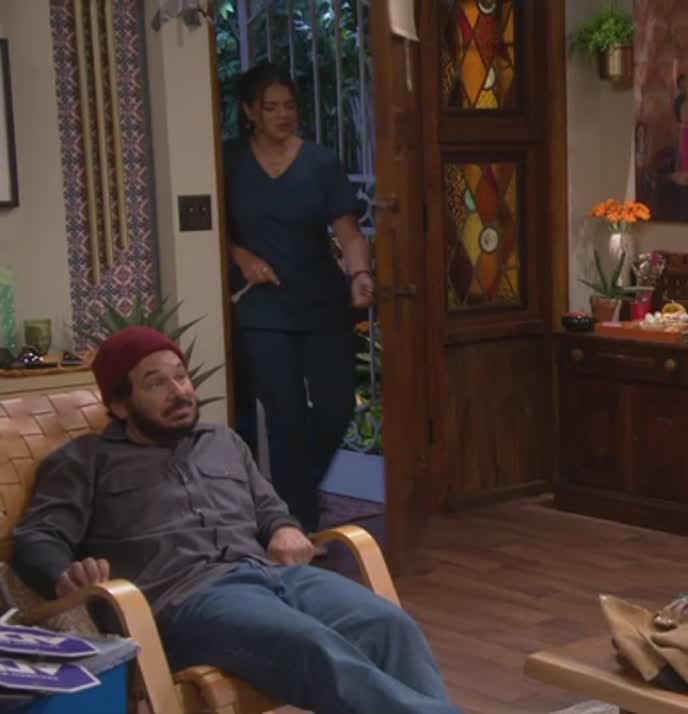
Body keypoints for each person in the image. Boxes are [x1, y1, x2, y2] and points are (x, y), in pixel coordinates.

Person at [13, 327, 459, 714]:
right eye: (156, 383)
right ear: (120, 404)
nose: (179, 391)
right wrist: (63, 575)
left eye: (181, 376)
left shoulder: (222, 440)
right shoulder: (84, 462)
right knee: (312, 646)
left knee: (390, 627)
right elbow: (37, 537)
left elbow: (268, 508)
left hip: (274, 575)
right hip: (189, 602)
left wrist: (284, 527)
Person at [225, 61, 374, 533]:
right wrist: (242, 257)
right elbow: (209, 225)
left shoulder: (321, 163)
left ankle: (284, 499)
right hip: (261, 307)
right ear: (250, 111)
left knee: (336, 408)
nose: (283, 115)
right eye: (271, 107)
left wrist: (360, 273)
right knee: (284, 417)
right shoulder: (229, 160)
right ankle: (299, 524)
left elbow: (349, 233)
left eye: (289, 106)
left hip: (321, 303)